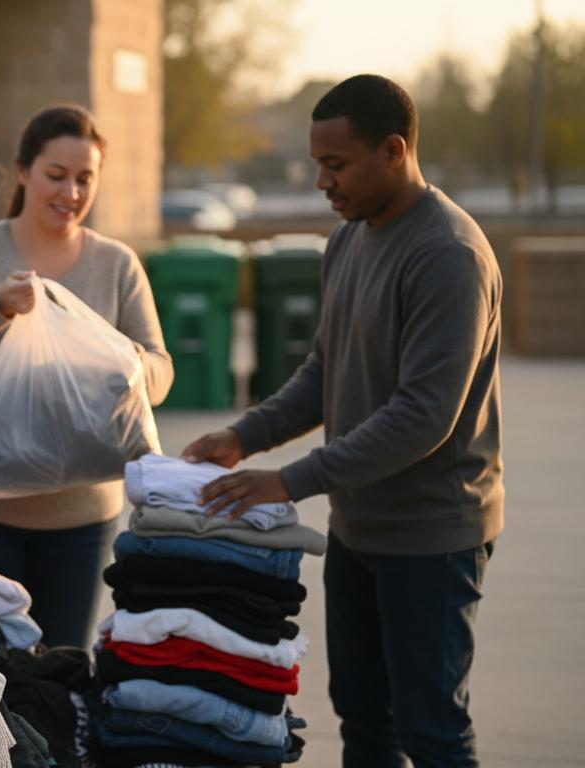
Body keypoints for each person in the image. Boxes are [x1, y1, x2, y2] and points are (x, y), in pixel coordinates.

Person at [183, 75, 502, 767]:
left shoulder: (449, 255)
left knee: (431, 731)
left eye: (336, 164)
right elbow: (325, 372)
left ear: (393, 151)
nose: (322, 181)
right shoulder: (349, 239)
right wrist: (244, 437)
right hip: (358, 530)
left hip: (432, 536)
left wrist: (290, 480)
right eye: (317, 164)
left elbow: (424, 415)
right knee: (363, 719)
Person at [0, 105, 174, 648]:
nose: (71, 193)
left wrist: (120, 362)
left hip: (80, 520)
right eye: (56, 175)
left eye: (85, 179)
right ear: (23, 171)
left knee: (61, 667)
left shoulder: (117, 264)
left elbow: (160, 372)